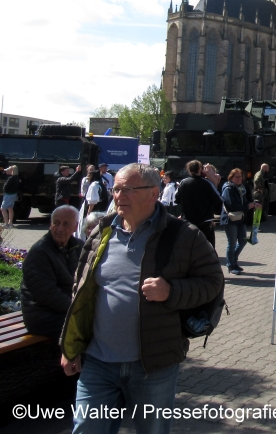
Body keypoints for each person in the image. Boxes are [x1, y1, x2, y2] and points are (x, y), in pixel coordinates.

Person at [60, 163, 223, 434]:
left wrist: (171, 292)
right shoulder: (102, 232)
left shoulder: (183, 236)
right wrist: (70, 346)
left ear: (153, 194)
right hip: (98, 363)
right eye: (116, 189)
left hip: (152, 366)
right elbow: (82, 290)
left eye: (128, 190)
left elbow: (213, 283)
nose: (118, 196)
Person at [20, 205, 83, 338]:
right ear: (50, 224)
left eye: (66, 224)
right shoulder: (40, 251)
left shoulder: (79, 246)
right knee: (87, 326)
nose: (60, 229)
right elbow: (48, 294)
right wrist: (79, 309)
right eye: (56, 223)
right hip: (42, 315)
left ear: (76, 226)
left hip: (66, 309)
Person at [175, 160, 223, 248]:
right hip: (205, 221)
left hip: (188, 221)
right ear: (200, 169)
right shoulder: (207, 183)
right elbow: (218, 199)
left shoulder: (183, 182)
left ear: (188, 169)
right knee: (208, 247)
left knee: (189, 247)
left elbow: (176, 199)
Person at [221, 168, 256, 274]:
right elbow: (231, 205)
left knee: (243, 241)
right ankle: (231, 265)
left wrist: (253, 204)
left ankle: (233, 261)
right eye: (236, 177)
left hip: (240, 218)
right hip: (230, 218)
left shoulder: (241, 188)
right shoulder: (228, 188)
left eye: (240, 177)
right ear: (231, 177)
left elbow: (246, 201)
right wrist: (247, 206)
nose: (239, 179)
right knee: (231, 243)